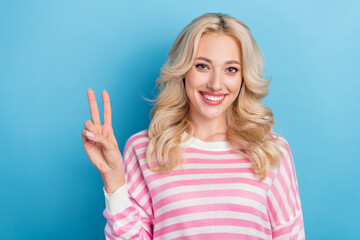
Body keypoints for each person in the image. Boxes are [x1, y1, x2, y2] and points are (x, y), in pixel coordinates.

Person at [81, 12, 305, 240]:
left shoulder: (271, 150)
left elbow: (292, 235)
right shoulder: (144, 149)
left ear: (243, 78)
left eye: (231, 69)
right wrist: (114, 179)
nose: (216, 84)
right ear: (183, 71)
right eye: (202, 66)